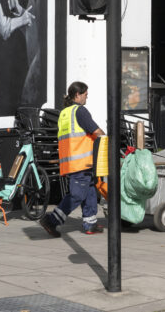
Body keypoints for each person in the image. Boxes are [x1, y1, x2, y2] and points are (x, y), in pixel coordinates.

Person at [41, 82, 105, 237]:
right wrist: (109, 140)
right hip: (81, 161)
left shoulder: (64, 113)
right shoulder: (80, 111)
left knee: (90, 190)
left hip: (72, 160)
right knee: (77, 194)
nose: (86, 98)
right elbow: (96, 132)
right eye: (85, 95)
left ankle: (90, 224)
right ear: (77, 95)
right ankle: (52, 220)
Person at [8, 0, 43, 106]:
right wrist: (17, 11)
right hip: (33, 54)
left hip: (40, 56)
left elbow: (40, 25)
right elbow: (29, 25)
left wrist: (21, 11)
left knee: (27, 98)